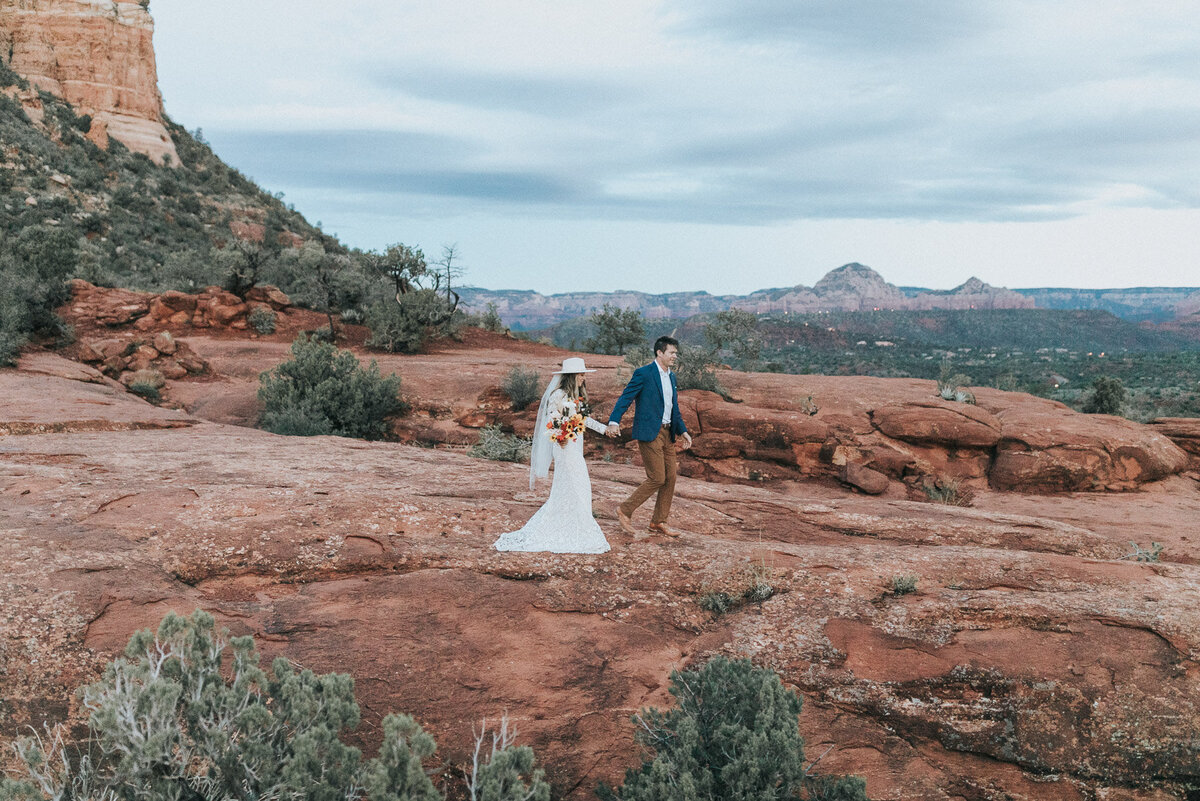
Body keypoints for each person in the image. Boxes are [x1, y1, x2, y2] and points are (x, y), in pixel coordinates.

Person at [494, 357, 611, 553]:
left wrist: (604, 429)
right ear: (572, 376)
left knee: (576, 485)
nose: (583, 378)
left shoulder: (577, 397)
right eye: (581, 374)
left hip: (575, 446)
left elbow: (584, 420)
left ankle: (576, 525)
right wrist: (559, 437)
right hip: (564, 447)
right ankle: (577, 527)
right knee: (576, 483)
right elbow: (551, 421)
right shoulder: (558, 395)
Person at [606, 336, 692, 537]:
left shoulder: (672, 377)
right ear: (659, 353)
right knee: (657, 478)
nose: (675, 356)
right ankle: (624, 510)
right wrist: (614, 421)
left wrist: (683, 431)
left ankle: (658, 522)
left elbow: (674, 409)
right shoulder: (643, 373)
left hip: (668, 433)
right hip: (649, 433)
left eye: (676, 353)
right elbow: (626, 397)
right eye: (672, 352)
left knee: (670, 478)